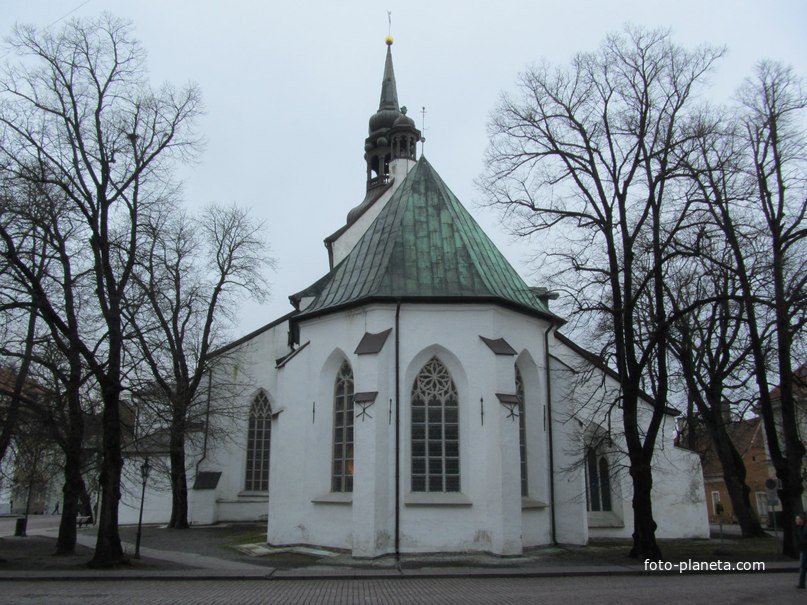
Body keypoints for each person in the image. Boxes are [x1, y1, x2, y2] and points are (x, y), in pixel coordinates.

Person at [796, 514, 807, 589]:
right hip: (803, 549)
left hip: (805, 549)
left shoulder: (804, 528)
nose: (796, 520)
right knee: (803, 567)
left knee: (803, 566)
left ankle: (802, 583)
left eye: (797, 519)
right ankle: (801, 583)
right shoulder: (799, 528)